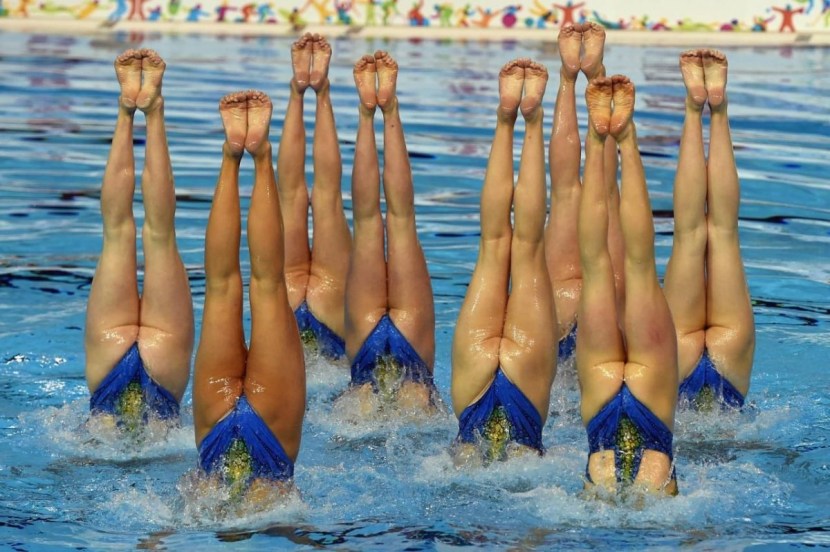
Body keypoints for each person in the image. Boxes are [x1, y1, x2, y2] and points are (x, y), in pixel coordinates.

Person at [192, 90, 305, 495]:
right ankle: (238, 155)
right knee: (228, 286)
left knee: (264, 284)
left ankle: (251, 156)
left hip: (268, 432)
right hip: (217, 428)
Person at [451, 59, 557, 463]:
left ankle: (505, 118)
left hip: (474, 395)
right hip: (525, 395)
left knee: (495, 244)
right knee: (527, 249)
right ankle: (532, 121)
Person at [577, 75, 678, 495]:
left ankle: (600, 139)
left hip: (604, 434)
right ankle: (625, 137)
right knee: (634, 265)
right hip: (648, 419)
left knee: (599, 265)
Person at [85, 49, 194, 431]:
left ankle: (129, 108)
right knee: (155, 234)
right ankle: (147, 109)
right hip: (156, 375)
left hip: (115, 373)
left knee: (119, 232)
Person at [343, 51, 435, 410]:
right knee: (401, 220)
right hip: (414, 374)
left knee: (366, 222)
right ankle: (389, 108)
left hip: (362, 380)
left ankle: (366, 114)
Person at [664, 49, 755, 410]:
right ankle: (709, 107)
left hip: (707, 364)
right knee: (713, 233)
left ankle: (699, 107)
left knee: (698, 234)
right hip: (722, 373)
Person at [545, 22, 624, 366]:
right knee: (604, 192)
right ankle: (595, 77)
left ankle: (568, 77)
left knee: (565, 192)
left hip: (559, 312)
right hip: (608, 307)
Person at [277, 33, 352, 361]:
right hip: (332, 324)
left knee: (294, 197)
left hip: (285, 319)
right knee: (326, 198)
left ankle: (299, 90)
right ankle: (319, 92)